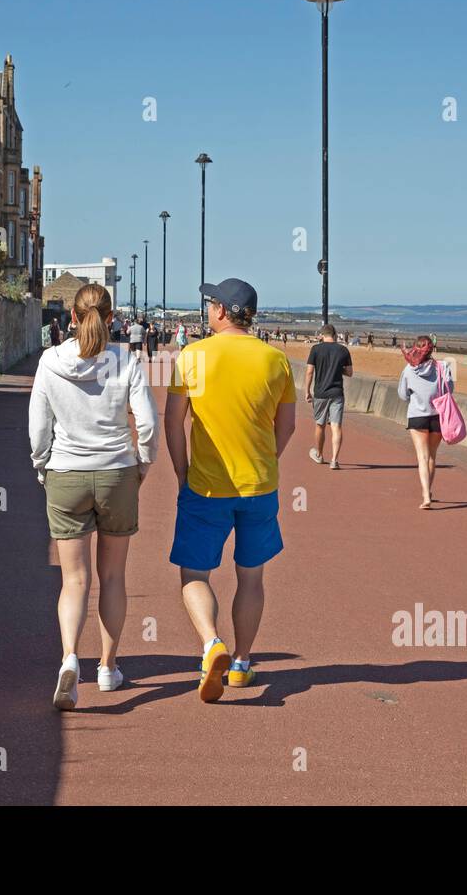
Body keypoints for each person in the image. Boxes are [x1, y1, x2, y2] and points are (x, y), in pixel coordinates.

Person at [166, 278, 296, 702]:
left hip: (206, 486)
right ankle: (240, 663)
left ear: (222, 311)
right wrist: (266, 460)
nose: (207, 309)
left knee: (194, 573)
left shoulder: (193, 356)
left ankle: (210, 644)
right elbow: (287, 424)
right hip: (259, 485)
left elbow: (174, 422)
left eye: (210, 303)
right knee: (251, 577)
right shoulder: (276, 360)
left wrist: (182, 473)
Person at [29, 284, 158, 710]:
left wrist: (42, 465)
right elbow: (148, 425)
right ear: (111, 317)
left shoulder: (50, 361)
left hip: (66, 472)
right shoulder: (126, 360)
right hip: (116, 472)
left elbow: (38, 428)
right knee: (114, 578)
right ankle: (108, 667)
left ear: (71, 315)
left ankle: (70, 658)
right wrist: (142, 464)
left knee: (74, 581)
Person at [397, 335, 450, 510]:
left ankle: (426, 495)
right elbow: (450, 389)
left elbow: (403, 395)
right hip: (437, 415)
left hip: (417, 415)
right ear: (431, 349)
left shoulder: (408, 369)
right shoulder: (443, 366)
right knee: (432, 456)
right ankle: (429, 492)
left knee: (422, 457)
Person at [304, 324, 353, 469]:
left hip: (320, 393)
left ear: (322, 335)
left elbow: (309, 372)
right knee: (336, 426)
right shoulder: (343, 350)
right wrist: (338, 369)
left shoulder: (316, 349)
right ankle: (334, 460)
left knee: (320, 425)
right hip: (337, 393)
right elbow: (349, 372)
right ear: (335, 334)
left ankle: (319, 455)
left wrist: (307, 391)